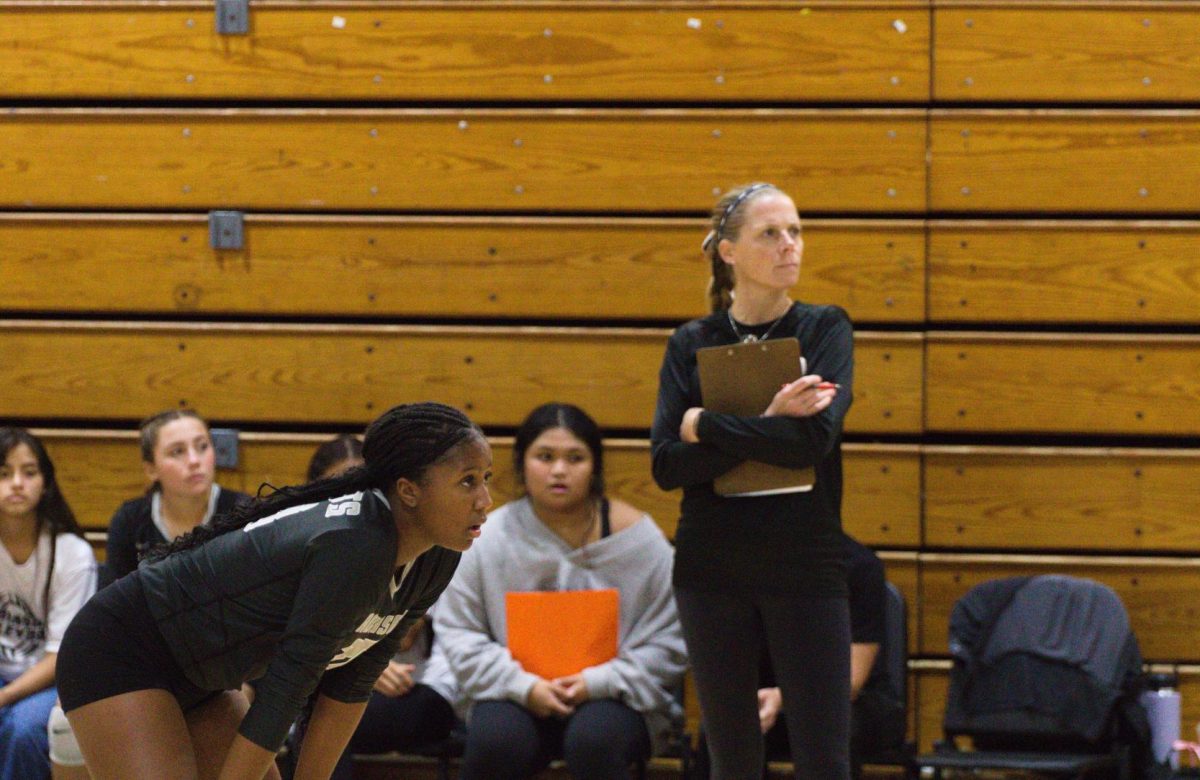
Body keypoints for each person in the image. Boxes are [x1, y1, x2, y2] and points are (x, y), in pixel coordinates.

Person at [56, 402, 493, 780]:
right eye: (467, 481)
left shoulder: (438, 553)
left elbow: (352, 684)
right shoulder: (356, 544)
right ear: (409, 491)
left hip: (203, 675)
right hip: (122, 650)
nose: (485, 499)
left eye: (486, 478)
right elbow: (286, 689)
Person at [651, 182, 855, 779]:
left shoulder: (825, 329)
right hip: (712, 567)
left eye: (795, 230)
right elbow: (667, 465)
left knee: (823, 758)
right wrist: (769, 423)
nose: (790, 245)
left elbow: (812, 444)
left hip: (805, 563)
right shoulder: (691, 343)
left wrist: (709, 424)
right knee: (732, 758)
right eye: (771, 233)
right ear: (729, 252)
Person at [436, 402, 687, 780]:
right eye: (545, 456)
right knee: (497, 741)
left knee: (595, 741)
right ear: (522, 464)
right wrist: (525, 686)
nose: (559, 470)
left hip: (615, 695)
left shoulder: (641, 541)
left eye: (575, 458)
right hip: (511, 690)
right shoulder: (487, 539)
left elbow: (671, 639)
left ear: (595, 467)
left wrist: (597, 682)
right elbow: (458, 632)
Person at [292, 435, 461, 780]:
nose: (356, 502)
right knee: (319, 719)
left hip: (425, 690)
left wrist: (368, 661)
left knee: (325, 721)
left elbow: (429, 636)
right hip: (330, 695)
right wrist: (357, 667)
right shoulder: (306, 549)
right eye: (341, 491)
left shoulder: (428, 539)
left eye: (367, 489)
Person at [693, 535, 903, 779]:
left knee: (832, 727)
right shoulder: (748, 564)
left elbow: (851, 682)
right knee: (722, 729)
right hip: (768, 696)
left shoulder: (859, 566)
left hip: (851, 699)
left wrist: (782, 698)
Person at [0, 429, 97, 780]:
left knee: (23, 729)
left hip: (52, 682)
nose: (16, 483)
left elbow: (60, 659)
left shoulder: (72, 554)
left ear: (45, 483)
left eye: (28, 472)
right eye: (4, 473)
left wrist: (5, 696)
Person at [105, 409, 249, 581]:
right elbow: (116, 602)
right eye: (177, 451)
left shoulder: (244, 513)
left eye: (202, 446)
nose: (194, 460)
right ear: (151, 469)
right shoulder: (130, 521)